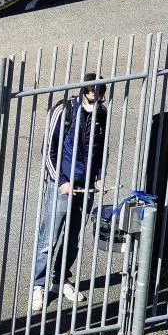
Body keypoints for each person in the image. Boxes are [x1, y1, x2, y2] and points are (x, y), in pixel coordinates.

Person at [29, 81, 106, 312]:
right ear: (85, 93)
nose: (97, 102)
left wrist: (99, 176)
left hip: (85, 185)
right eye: (94, 98)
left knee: (72, 239)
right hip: (61, 183)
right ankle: (38, 284)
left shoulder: (101, 112)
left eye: (100, 98)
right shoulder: (64, 111)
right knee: (48, 240)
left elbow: (100, 147)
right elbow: (48, 150)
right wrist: (61, 181)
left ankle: (60, 279)